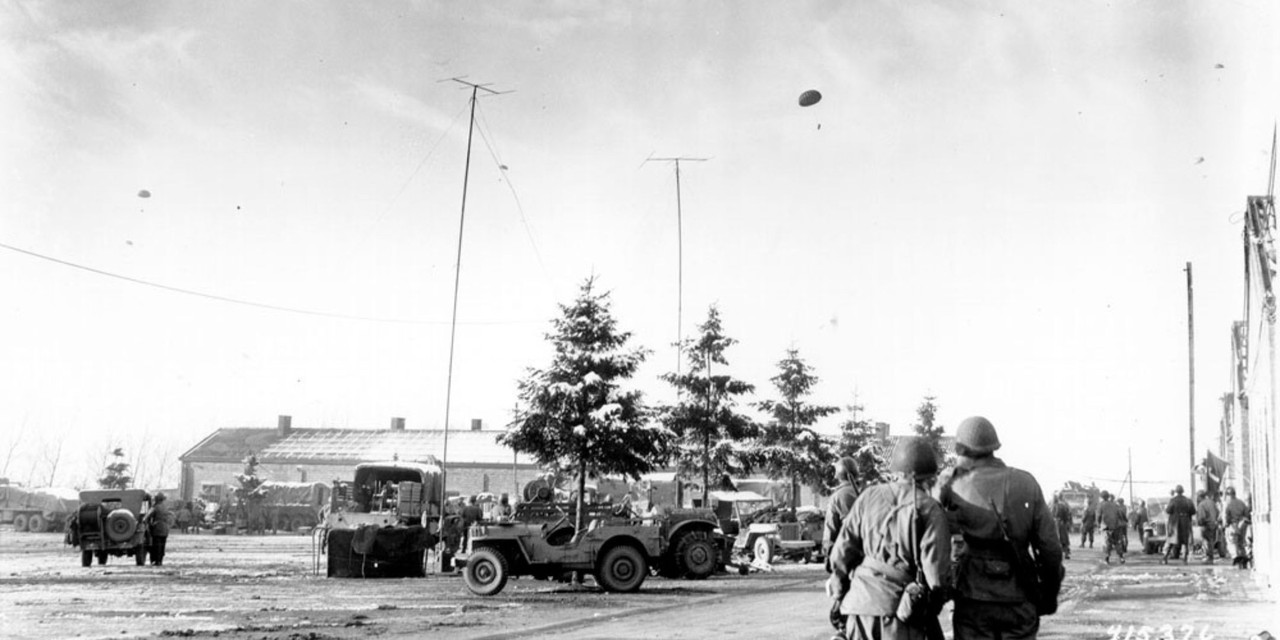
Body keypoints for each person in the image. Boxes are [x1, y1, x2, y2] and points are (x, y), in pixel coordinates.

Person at [937, 416, 1064, 640]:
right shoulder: (1026, 482)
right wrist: (1049, 595)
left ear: (960, 449)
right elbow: (1050, 549)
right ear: (994, 447)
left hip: (972, 597)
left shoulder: (952, 486)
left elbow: (934, 536)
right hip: (1020, 596)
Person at [827, 437, 951, 640]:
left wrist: (840, 594)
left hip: (858, 609)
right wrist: (928, 609)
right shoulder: (929, 508)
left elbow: (841, 552)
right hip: (899, 617)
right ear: (929, 477)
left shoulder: (868, 496)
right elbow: (936, 576)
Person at [824, 457, 862, 563]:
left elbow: (831, 532)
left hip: (846, 556)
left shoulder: (837, 497)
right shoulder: (867, 493)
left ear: (838, 475)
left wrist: (829, 557)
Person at [1162, 485, 1196, 564]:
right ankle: (1185, 558)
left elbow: (1168, 510)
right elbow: (1193, 511)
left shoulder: (1173, 500)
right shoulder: (1188, 500)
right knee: (1185, 541)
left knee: (1171, 541)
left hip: (1175, 523)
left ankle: (1165, 557)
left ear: (1176, 492)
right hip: (1185, 522)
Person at [1223, 487, 1251, 568]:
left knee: (1232, 543)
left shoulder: (1228, 504)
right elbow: (1246, 514)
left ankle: (1237, 559)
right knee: (1241, 543)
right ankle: (1244, 559)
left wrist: (1225, 525)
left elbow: (1226, 516)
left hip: (1233, 525)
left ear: (1228, 495)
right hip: (1242, 525)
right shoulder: (1241, 503)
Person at [144, 492, 175, 566]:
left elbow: (146, 517)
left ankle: (155, 560)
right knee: (162, 545)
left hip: (157, 528)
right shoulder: (165, 507)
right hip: (165, 529)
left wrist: (147, 523)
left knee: (155, 545)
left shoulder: (155, 507)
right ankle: (160, 560)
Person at [1096, 491, 1127, 564]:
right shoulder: (1114, 504)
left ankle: (1107, 558)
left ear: (1101, 497)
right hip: (1116, 526)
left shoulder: (1101, 505)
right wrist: (1124, 521)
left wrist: (1098, 525)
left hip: (1106, 527)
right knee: (1117, 542)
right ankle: (1121, 558)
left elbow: (1098, 516)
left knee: (1107, 542)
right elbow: (1120, 514)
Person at [1195, 490, 1220, 564]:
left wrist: (1200, 523)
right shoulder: (1212, 502)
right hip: (1213, 524)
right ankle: (1211, 557)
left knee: (1205, 541)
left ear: (1199, 497)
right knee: (1211, 541)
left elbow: (1201, 517)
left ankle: (1207, 557)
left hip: (1206, 525)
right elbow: (1218, 512)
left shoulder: (1201, 505)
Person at [1051, 493, 1072, 561]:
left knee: (1057, 539)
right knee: (1064, 539)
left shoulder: (1051, 506)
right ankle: (1066, 553)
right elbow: (1067, 515)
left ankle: (1058, 554)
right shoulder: (1062, 505)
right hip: (1061, 523)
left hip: (1055, 524)